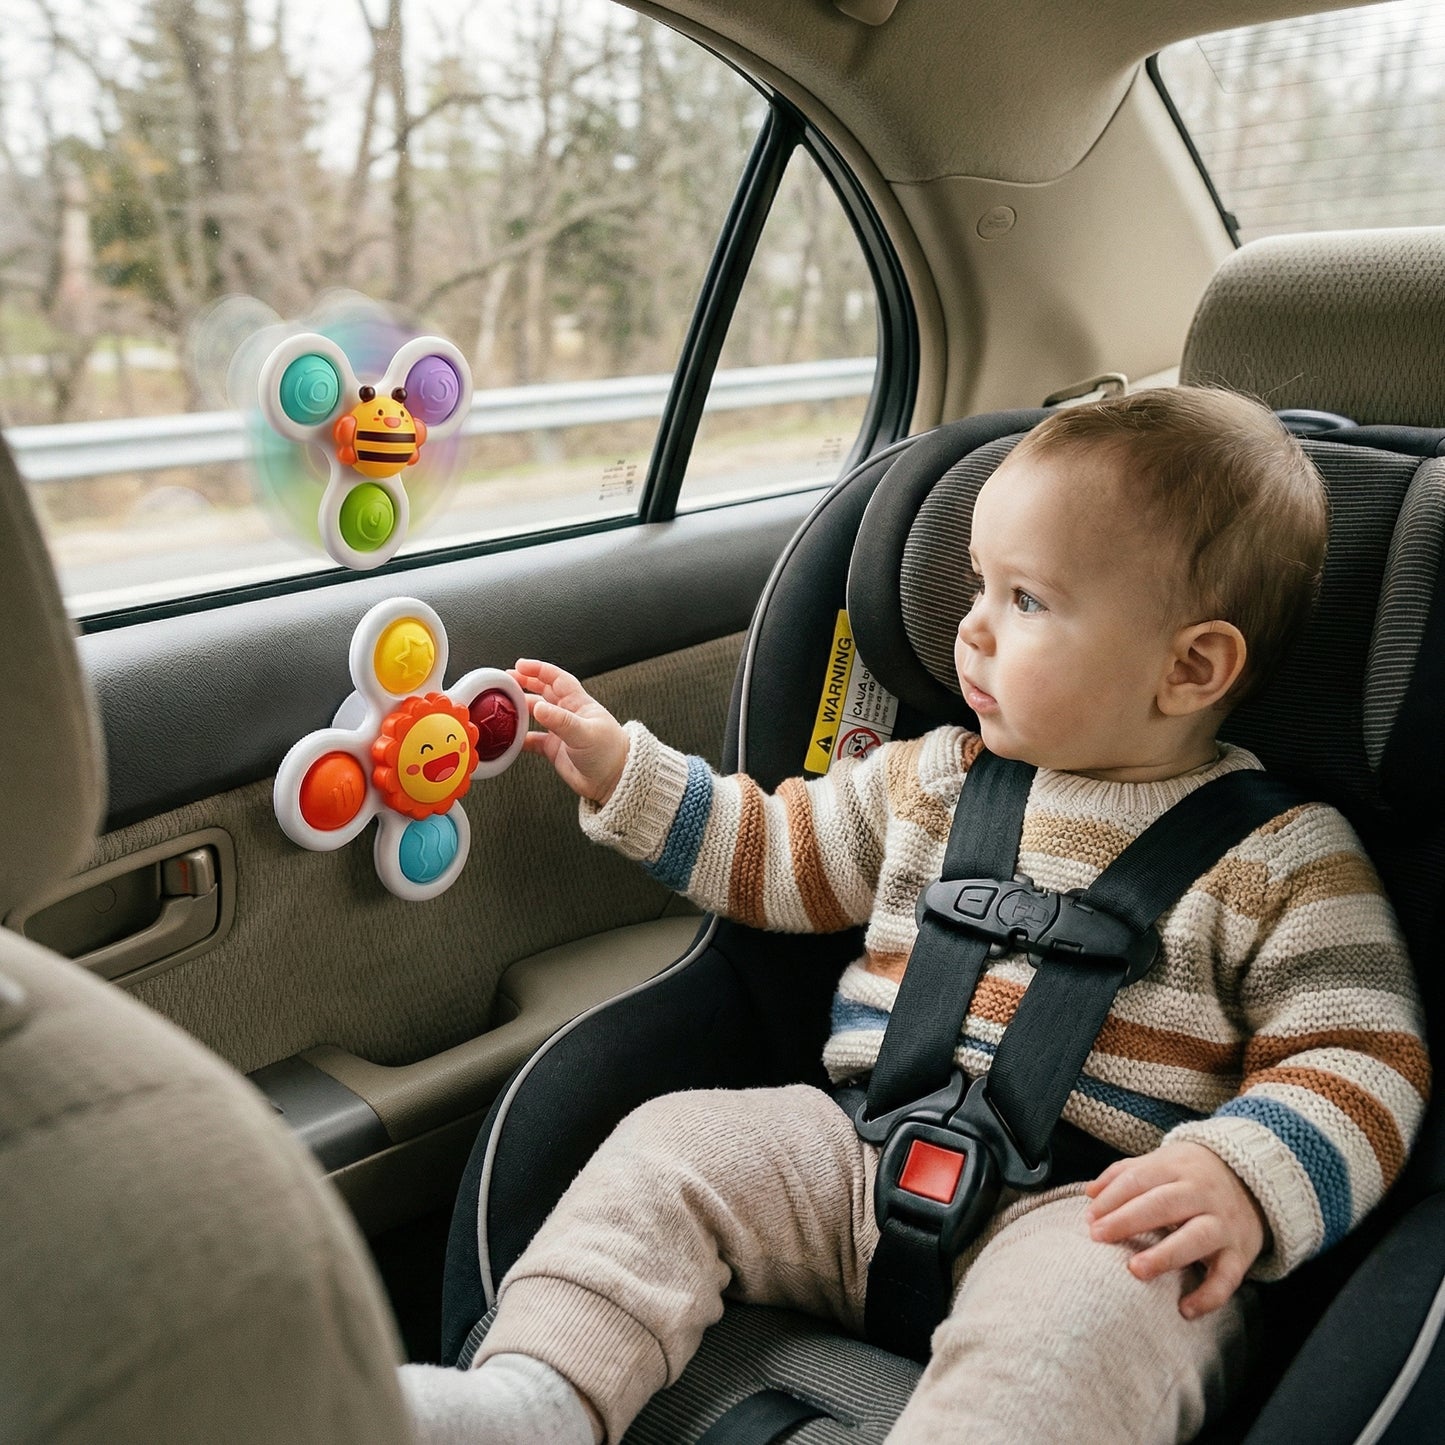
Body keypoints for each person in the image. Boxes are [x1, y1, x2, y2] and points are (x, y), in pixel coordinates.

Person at [400, 387, 1428, 1444]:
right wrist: (632, 772)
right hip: (851, 1155)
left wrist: (1240, 1171)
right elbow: (777, 853)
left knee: (1097, 1315)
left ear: (1189, 666)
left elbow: (1362, 1057)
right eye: (977, 583)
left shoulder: (1280, 855)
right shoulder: (928, 778)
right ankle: (537, 1398)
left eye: (1024, 599)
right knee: (672, 1146)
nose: (969, 628)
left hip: (1092, 1213)